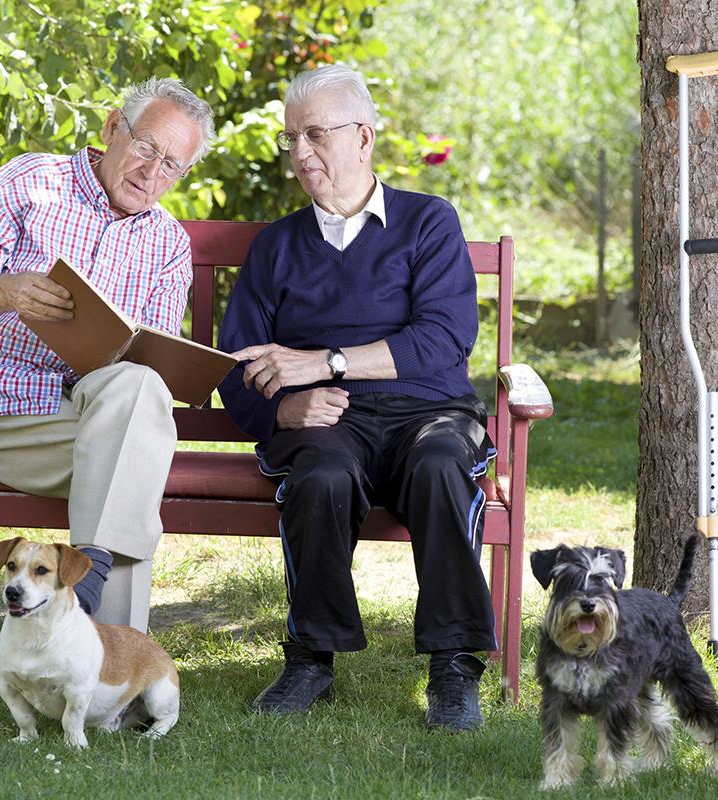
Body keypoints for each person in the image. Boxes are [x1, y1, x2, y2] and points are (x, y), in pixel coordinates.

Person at [217, 65, 498, 731]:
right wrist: (283, 409)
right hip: (324, 421)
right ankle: (311, 659)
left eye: (316, 134)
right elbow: (236, 365)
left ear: (364, 136)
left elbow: (443, 339)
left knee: (439, 468)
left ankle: (454, 669)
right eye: (292, 139)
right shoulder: (275, 247)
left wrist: (326, 362)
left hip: (428, 413)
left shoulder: (427, 222)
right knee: (319, 473)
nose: (301, 153)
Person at [0, 77, 214, 630]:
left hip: (90, 414)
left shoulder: (168, 243)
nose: (151, 172)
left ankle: (88, 586)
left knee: (138, 398)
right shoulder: (30, 182)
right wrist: (6, 290)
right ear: (113, 128)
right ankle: (115, 669)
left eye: (171, 165)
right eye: (147, 148)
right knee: (131, 465)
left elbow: (152, 368)